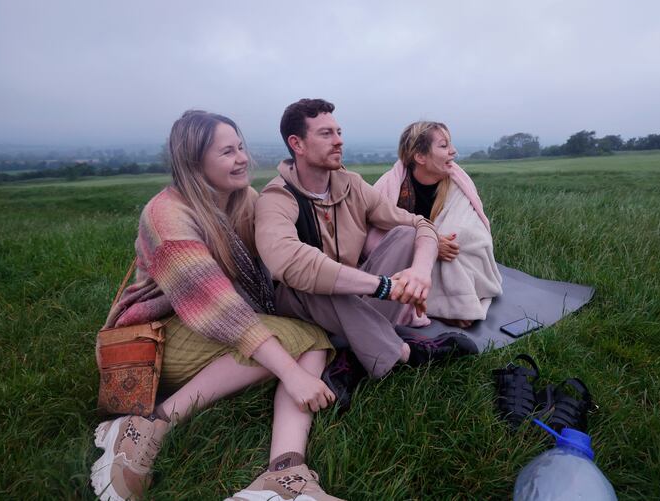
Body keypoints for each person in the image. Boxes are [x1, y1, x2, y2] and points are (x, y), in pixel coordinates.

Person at [90, 110, 343, 501]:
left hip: (210, 325)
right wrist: (291, 374)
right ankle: (146, 425)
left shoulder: (244, 200)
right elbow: (220, 308)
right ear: (194, 162)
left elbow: (287, 251)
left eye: (241, 147)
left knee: (309, 338)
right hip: (163, 337)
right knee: (296, 343)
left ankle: (286, 472)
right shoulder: (166, 216)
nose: (242, 158)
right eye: (227, 152)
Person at [254, 99, 477, 403]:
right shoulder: (276, 198)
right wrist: (384, 286)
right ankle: (406, 351)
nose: (339, 140)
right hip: (302, 304)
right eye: (325, 134)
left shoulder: (351, 185)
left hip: (354, 298)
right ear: (297, 144)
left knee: (405, 235)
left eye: (339, 131)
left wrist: (419, 273)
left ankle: (352, 356)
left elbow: (420, 225)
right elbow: (290, 263)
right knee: (314, 279)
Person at [369, 121, 502, 328]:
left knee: (452, 249)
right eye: (443, 146)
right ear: (420, 157)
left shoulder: (459, 183)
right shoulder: (389, 185)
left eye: (451, 145)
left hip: (450, 257)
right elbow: (372, 234)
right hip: (409, 256)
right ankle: (441, 307)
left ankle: (446, 303)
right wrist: (427, 245)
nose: (453, 151)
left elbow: (471, 234)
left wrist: (437, 244)